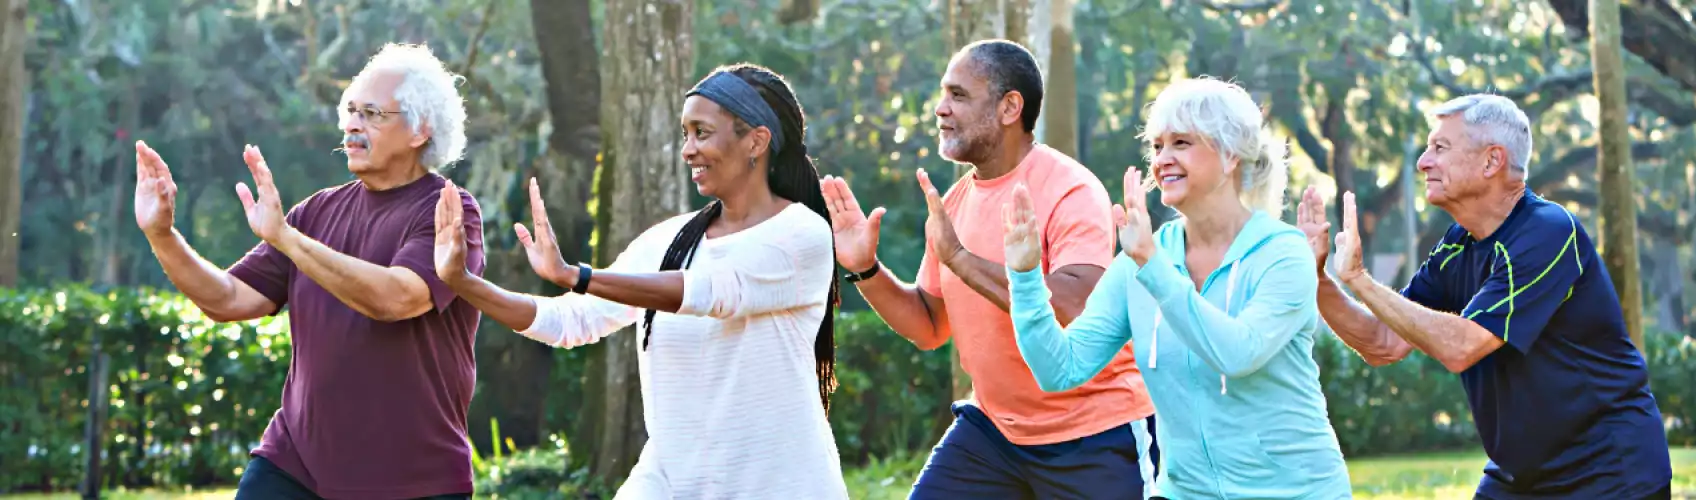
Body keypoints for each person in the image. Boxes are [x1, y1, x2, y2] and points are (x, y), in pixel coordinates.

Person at [430, 63, 847, 499]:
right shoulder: (670, 241)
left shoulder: (802, 235)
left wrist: (576, 275)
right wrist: (463, 282)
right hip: (671, 480)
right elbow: (571, 320)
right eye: (685, 134)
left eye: (702, 133)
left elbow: (713, 293)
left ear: (756, 141)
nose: (687, 150)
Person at [132, 43, 485, 499]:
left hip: (413, 479)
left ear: (420, 129)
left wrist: (285, 238)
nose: (353, 125)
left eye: (373, 114)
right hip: (295, 464)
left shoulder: (450, 212)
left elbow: (396, 299)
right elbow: (228, 299)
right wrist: (162, 234)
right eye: (350, 110)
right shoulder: (315, 212)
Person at [821, 39, 1157, 499]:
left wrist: (961, 259)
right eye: (943, 94)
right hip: (995, 434)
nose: (940, 109)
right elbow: (929, 325)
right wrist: (865, 269)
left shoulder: (1071, 189)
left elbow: (1076, 304)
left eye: (958, 95)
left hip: (1094, 433)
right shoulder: (954, 204)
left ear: (1009, 107)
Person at [1306, 94, 1671, 498]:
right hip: (1520, 474)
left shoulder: (1548, 232)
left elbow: (1462, 345)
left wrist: (1360, 279)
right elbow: (1382, 342)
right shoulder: (1457, 245)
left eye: (1439, 148)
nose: (1423, 161)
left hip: (1609, 472)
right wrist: (1318, 277)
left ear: (1492, 161)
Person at [1000, 77, 1350, 499]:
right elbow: (1060, 369)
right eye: (1157, 146)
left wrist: (1153, 264)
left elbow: (1237, 354)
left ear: (1230, 156)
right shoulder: (1140, 261)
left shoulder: (1283, 254)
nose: (1163, 158)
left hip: (1294, 491)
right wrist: (1024, 278)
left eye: (1182, 143)